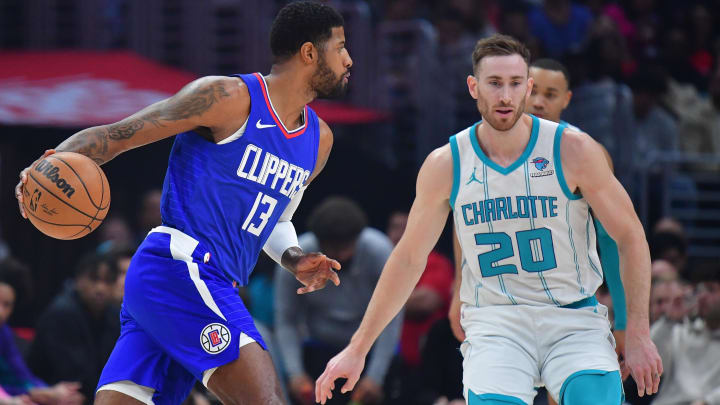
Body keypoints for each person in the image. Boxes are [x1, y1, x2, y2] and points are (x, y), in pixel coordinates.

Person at [15, 2, 352, 404]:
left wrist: (295, 258)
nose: (349, 59)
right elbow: (117, 135)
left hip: (195, 285)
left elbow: (274, 219)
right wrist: (44, 169)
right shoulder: (228, 97)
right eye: (341, 46)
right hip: (181, 266)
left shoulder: (320, 141)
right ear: (310, 53)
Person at [315, 34, 661, 405]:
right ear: (473, 87)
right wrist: (358, 347)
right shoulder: (445, 164)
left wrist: (636, 329)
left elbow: (628, 236)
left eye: (515, 84)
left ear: (527, 87)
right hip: (497, 324)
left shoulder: (574, 150)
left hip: (572, 317)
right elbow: (408, 258)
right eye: (495, 83)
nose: (506, 96)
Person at [275, 197, 399, 405]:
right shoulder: (299, 257)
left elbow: (391, 317)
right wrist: (295, 373)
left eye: (345, 248)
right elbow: (286, 319)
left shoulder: (379, 250)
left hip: (367, 350)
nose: (340, 256)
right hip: (318, 351)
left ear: (358, 238)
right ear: (318, 241)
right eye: (333, 249)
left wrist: (375, 377)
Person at [27, 253, 120, 403]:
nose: (100, 288)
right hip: (50, 393)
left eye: (108, 281)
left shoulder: (114, 316)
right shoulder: (61, 314)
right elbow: (75, 376)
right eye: (94, 279)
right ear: (78, 280)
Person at [0, 258, 84, 405]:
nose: (1, 312)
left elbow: (21, 375)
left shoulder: (4, 332)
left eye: (7, 305)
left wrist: (50, 392)